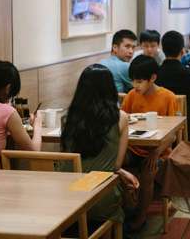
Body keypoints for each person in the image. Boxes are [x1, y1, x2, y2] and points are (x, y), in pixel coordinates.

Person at [60, 64, 139, 229]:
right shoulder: (121, 118)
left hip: (67, 199)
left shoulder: (68, 118)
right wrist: (122, 171)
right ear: (110, 88)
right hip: (101, 198)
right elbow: (116, 165)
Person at [121, 55, 177, 229]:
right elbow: (122, 122)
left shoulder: (168, 97)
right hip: (133, 148)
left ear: (152, 78)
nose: (134, 86)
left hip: (159, 150)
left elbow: (173, 135)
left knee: (148, 172)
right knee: (112, 166)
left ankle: (141, 216)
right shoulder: (131, 95)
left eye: (139, 81)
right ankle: (123, 208)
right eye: (133, 81)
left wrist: (155, 152)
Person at [101, 29, 137, 96]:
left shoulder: (102, 62)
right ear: (115, 47)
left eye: (133, 47)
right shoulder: (125, 66)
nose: (131, 51)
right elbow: (140, 88)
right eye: (127, 46)